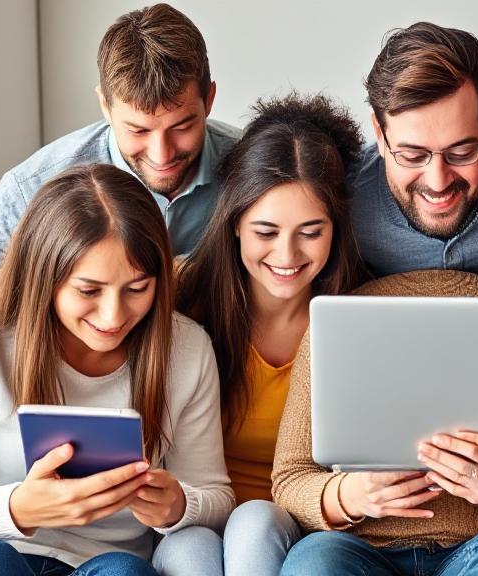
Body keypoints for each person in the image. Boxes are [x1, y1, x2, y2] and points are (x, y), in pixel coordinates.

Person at [0, 164, 233, 575]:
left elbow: (215, 495)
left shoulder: (187, 348)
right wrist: (15, 508)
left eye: (137, 288)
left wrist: (178, 504)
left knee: (124, 571)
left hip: (100, 563)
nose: (113, 315)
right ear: (44, 278)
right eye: (89, 290)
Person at [0, 3, 240, 376]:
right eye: (138, 130)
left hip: (209, 377)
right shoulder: (32, 188)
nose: (162, 154)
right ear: (105, 105)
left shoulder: (252, 171)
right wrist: (2, 307)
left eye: (182, 127)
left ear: (209, 99)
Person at [151, 93, 365, 576]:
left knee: (254, 521)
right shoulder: (180, 294)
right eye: (266, 232)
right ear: (234, 224)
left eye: (310, 232)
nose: (287, 255)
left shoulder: (358, 315)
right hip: (191, 517)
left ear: (335, 229)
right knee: (189, 552)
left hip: (297, 525)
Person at [271, 269, 478, 575]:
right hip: (357, 551)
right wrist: (350, 496)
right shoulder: (335, 321)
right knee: (313, 564)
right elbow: (290, 480)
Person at [350, 22, 478, 278]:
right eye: (412, 156)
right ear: (380, 134)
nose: (438, 183)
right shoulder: (343, 193)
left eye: (461, 153)